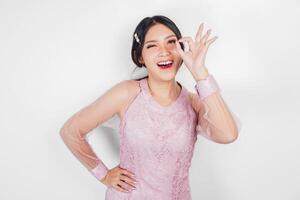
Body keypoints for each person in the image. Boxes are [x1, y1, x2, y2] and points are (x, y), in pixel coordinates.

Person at [59, 15, 240, 200]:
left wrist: (201, 74)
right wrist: (104, 175)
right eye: (152, 45)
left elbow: (228, 134)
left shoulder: (193, 102)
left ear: (182, 50)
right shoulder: (127, 93)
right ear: (140, 57)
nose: (164, 52)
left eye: (171, 43)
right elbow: (71, 131)